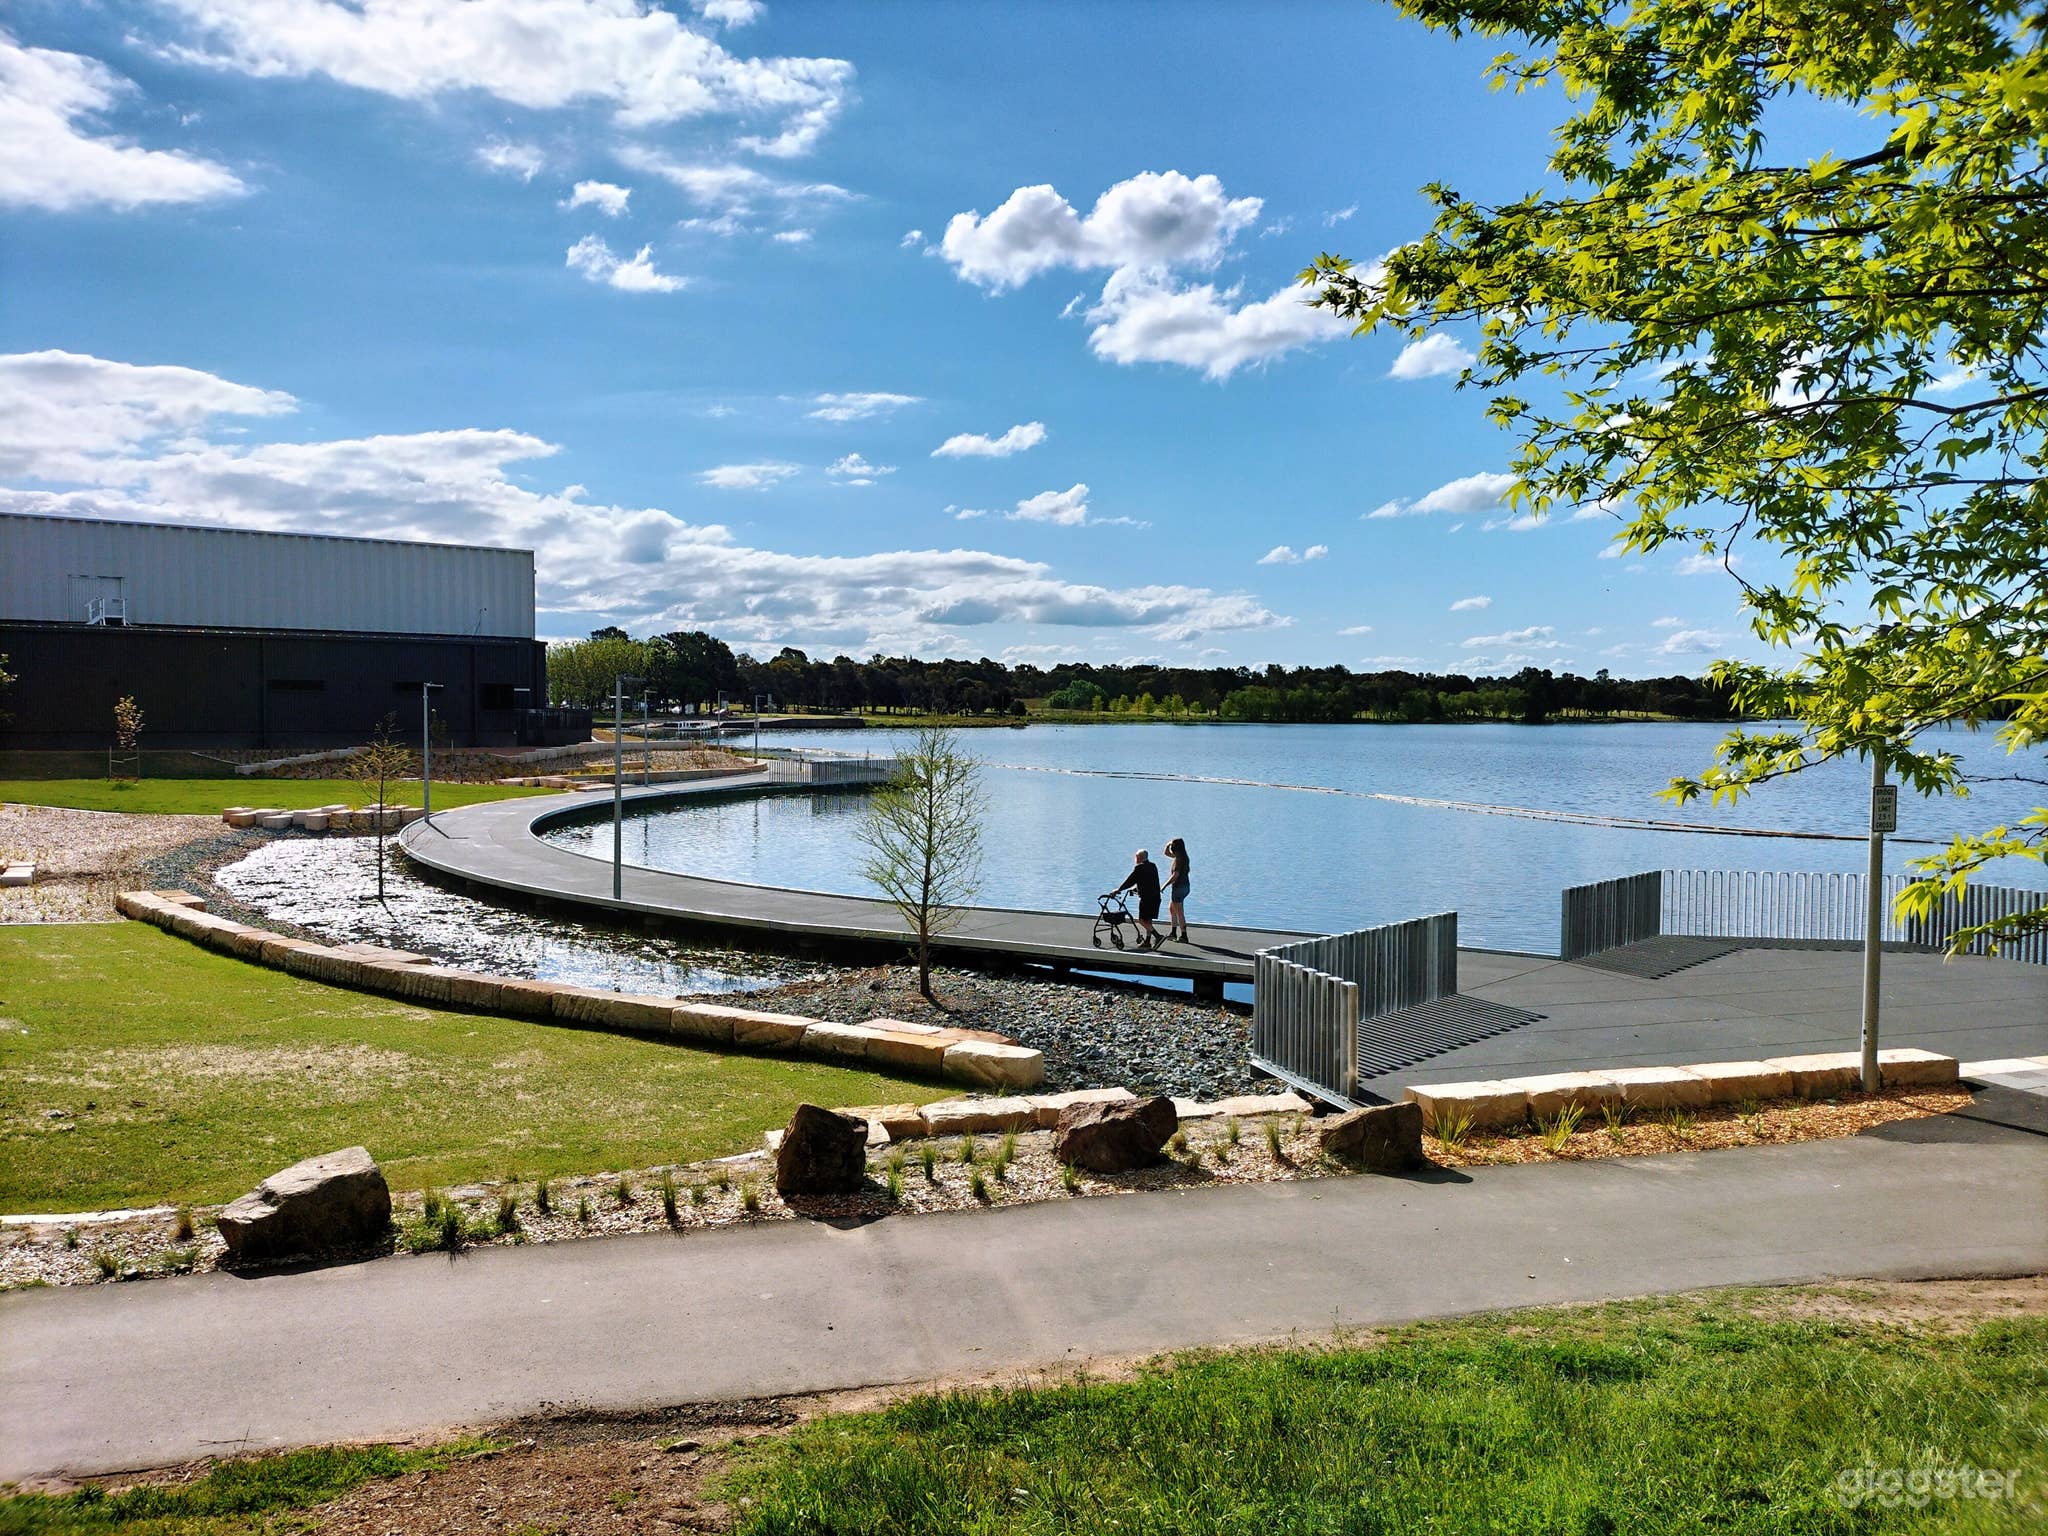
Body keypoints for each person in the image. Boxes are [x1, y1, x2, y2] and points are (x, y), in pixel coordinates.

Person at [1112, 848, 1164, 950]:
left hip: (1146, 898)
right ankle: (1147, 941)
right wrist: (1136, 889)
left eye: (1136, 856)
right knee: (1148, 920)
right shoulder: (1153, 866)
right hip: (1156, 897)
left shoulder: (1139, 868)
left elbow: (1130, 881)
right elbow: (1149, 881)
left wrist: (1119, 889)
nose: (1135, 858)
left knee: (1141, 920)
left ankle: (1158, 936)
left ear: (1139, 857)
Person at [1163, 836, 1192, 943]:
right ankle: (1173, 932)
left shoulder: (1179, 860)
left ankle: (1184, 936)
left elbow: (1175, 875)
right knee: (1172, 908)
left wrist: (1164, 885)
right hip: (1185, 887)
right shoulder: (1182, 857)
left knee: (1179, 912)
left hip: (1178, 887)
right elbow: (1166, 853)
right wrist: (1168, 844)